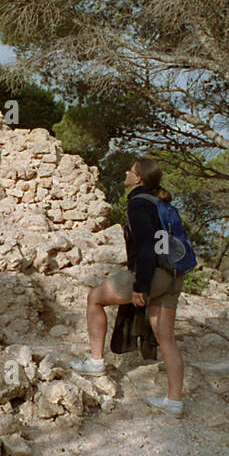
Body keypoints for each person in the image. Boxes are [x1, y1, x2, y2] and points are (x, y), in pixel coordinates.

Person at [72, 157, 185, 415]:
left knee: (94, 298)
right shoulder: (162, 203)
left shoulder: (137, 202)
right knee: (166, 338)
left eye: (130, 170)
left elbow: (146, 246)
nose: (126, 172)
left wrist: (140, 286)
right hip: (174, 274)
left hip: (153, 273)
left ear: (139, 178)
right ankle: (174, 401)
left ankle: (95, 362)